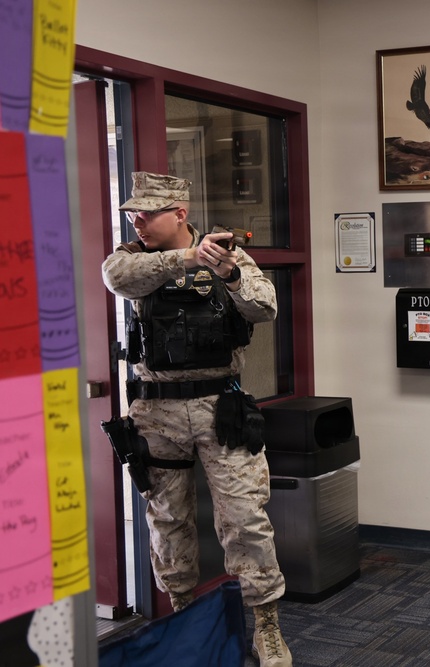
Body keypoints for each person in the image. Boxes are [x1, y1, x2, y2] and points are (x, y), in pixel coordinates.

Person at [102, 172, 292, 667]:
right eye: (133, 214)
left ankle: (267, 625)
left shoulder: (229, 257)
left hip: (219, 409)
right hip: (156, 412)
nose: (137, 221)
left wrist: (227, 272)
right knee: (168, 520)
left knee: (246, 518)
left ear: (180, 213)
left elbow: (264, 306)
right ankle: (186, 613)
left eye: (147, 213)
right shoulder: (131, 259)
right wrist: (188, 257)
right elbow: (116, 279)